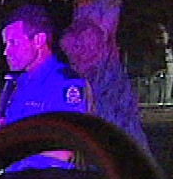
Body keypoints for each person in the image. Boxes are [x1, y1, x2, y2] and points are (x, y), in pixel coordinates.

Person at [0, 5, 90, 170]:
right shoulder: (19, 82)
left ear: (39, 40)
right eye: (6, 44)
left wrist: (9, 136)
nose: (6, 52)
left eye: (13, 42)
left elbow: (65, 152)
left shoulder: (64, 83)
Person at [60, 16, 150, 151]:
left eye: (73, 52)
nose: (72, 60)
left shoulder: (108, 81)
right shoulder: (91, 78)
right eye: (68, 54)